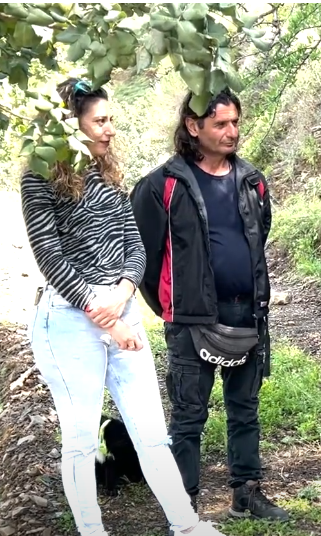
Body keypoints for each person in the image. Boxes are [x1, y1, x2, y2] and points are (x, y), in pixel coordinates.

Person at [20, 78, 224, 536]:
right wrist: (103, 313)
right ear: (69, 127)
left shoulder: (107, 171)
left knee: (151, 429)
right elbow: (49, 256)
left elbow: (135, 244)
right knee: (79, 437)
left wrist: (125, 293)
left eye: (110, 119)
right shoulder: (38, 177)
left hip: (121, 309)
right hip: (69, 322)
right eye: (100, 121)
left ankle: (186, 525)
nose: (110, 129)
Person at [129, 88, 287, 523]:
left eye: (235, 122)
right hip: (191, 320)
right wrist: (171, 306)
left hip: (247, 313)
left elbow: (258, 236)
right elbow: (142, 255)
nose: (231, 131)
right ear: (193, 127)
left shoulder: (253, 181)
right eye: (220, 123)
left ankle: (247, 494)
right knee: (188, 417)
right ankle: (184, 507)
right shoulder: (162, 185)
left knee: (245, 409)